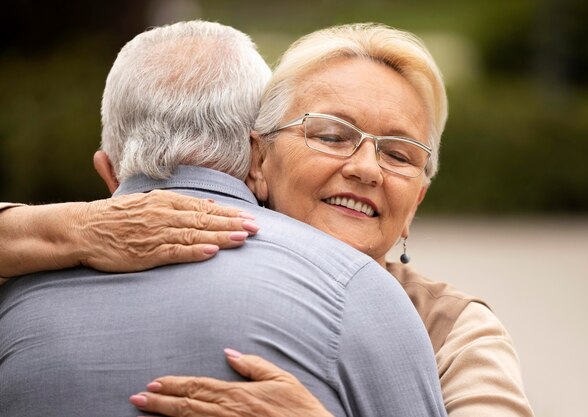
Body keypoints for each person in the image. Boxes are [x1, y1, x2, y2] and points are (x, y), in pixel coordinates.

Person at [0, 23, 535, 417]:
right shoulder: (123, 238)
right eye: (331, 134)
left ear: (416, 200)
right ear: (259, 159)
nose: (367, 168)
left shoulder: (456, 331)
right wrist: (75, 228)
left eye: (399, 154)